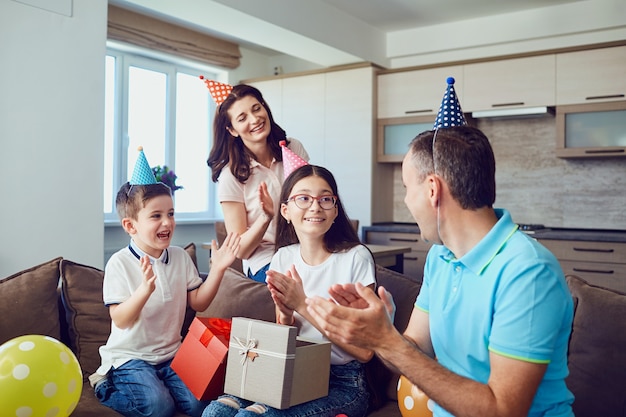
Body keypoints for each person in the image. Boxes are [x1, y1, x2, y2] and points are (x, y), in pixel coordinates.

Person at [306, 125, 575, 417]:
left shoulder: (528, 273)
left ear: (433, 190)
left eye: (408, 189)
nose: (408, 201)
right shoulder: (440, 257)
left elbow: (502, 410)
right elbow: (413, 350)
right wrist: (377, 332)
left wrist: (386, 341)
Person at [201, 164, 375, 417]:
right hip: (291, 369)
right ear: (285, 210)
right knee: (215, 412)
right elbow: (285, 337)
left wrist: (303, 305)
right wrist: (284, 315)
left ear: (335, 210)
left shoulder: (356, 258)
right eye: (303, 198)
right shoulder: (284, 257)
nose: (315, 206)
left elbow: (365, 352)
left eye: (325, 199)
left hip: (343, 381)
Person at [90, 147, 241, 417]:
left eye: (170, 213)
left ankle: (161, 385)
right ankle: (105, 385)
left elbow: (199, 302)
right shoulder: (120, 263)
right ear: (130, 226)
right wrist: (144, 291)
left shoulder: (181, 257)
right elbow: (121, 320)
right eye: (156, 216)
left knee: (199, 405)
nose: (167, 222)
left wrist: (217, 270)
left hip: (172, 355)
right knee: (160, 407)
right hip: (130, 358)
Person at [206, 81, 309, 283]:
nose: (255, 119)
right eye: (242, 118)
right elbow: (241, 250)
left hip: (306, 249)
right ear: (232, 130)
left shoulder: (292, 147)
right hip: (267, 260)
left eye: (257, 109)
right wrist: (265, 218)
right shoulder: (231, 176)